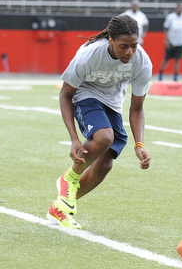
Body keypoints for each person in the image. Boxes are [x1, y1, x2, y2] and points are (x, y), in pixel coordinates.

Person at [47, 15, 152, 229]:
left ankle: (61, 207)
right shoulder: (89, 55)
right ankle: (69, 178)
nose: (129, 52)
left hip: (112, 101)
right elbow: (65, 96)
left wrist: (139, 144)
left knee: (105, 164)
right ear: (111, 41)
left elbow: (137, 108)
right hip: (84, 94)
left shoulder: (142, 62)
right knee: (105, 137)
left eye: (134, 46)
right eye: (123, 46)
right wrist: (74, 139)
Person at [158, 2, 182, 81]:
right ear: (176, 8)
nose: (180, 9)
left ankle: (176, 75)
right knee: (166, 59)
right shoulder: (170, 17)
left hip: (181, 42)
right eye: (179, 8)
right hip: (171, 41)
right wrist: (166, 40)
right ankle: (161, 73)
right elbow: (166, 28)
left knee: (177, 59)